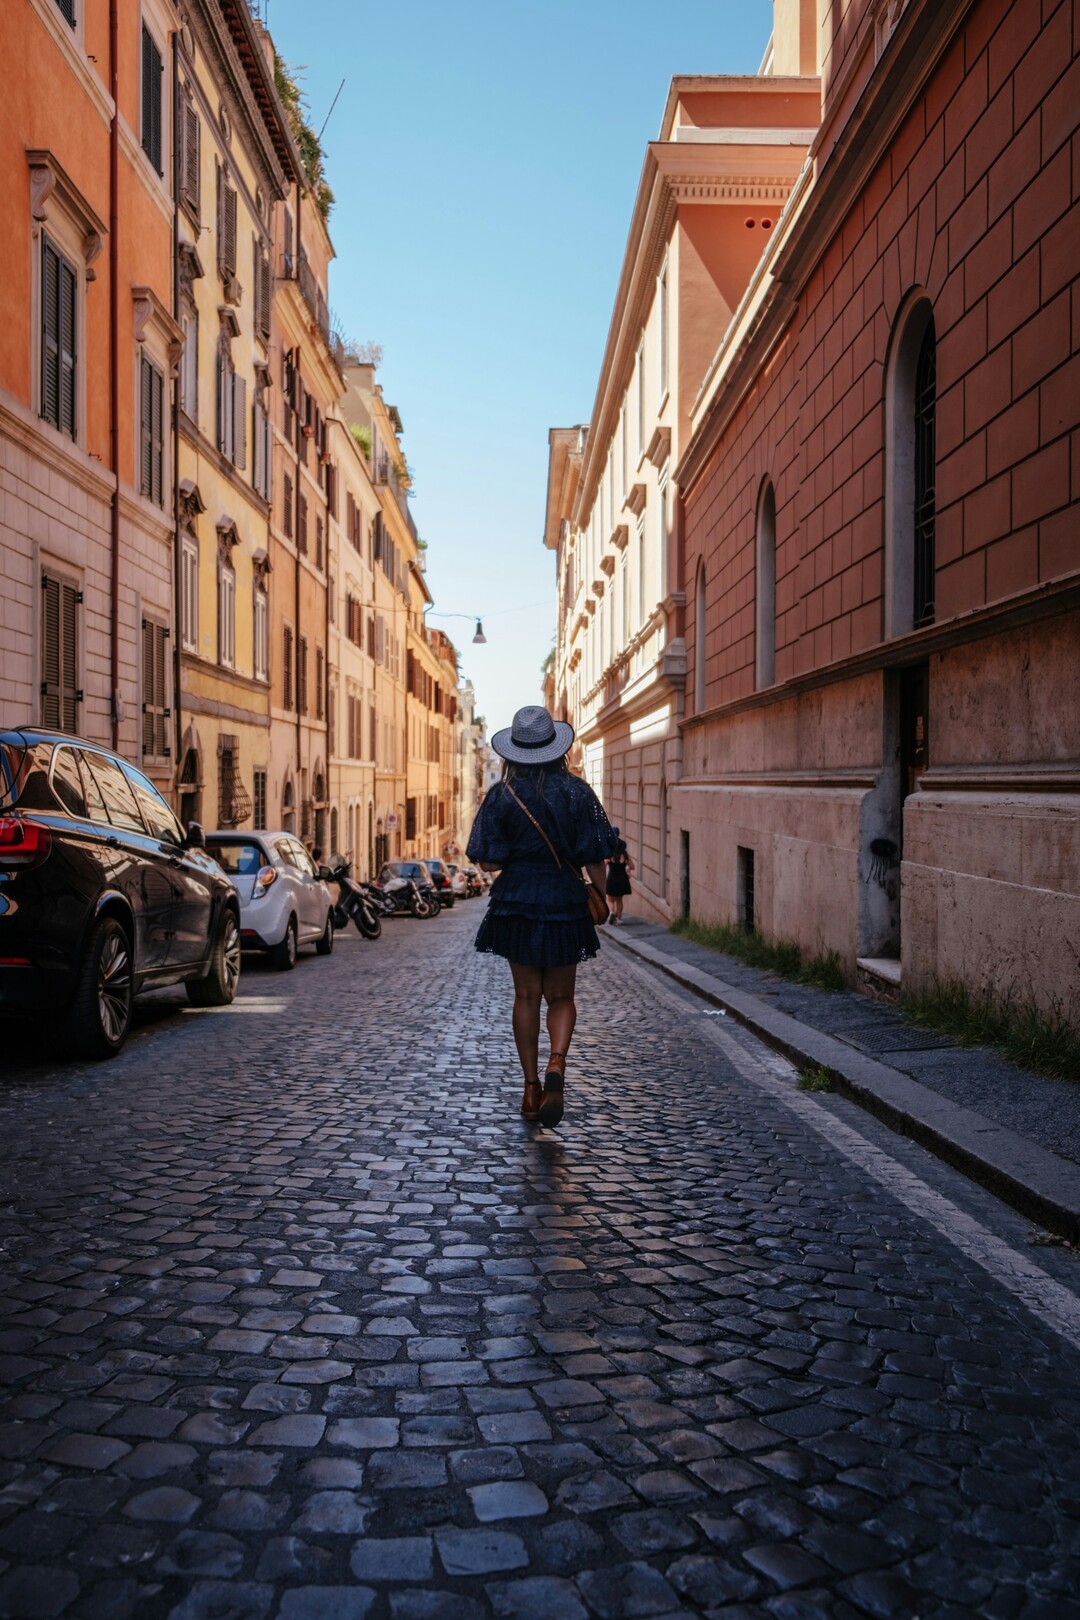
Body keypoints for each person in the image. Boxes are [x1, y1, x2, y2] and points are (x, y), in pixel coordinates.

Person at [467, 706, 618, 1128]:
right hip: (564, 900)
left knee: (526, 996)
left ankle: (531, 1088)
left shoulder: (501, 795)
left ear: (514, 751)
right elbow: (595, 856)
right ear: (557, 749)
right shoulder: (577, 792)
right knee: (562, 996)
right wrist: (601, 897)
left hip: (517, 901)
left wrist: (518, 855)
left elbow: (488, 861)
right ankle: (557, 1061)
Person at [605, 827, 635, 924]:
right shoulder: (624, 855)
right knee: (619, 900)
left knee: (610, 899)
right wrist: (626, 865)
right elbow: (632, 866)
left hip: (612, 879)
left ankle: (611, 912)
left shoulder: (610, 853)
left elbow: (603, 865)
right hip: (622, 879)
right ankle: (619, 918)